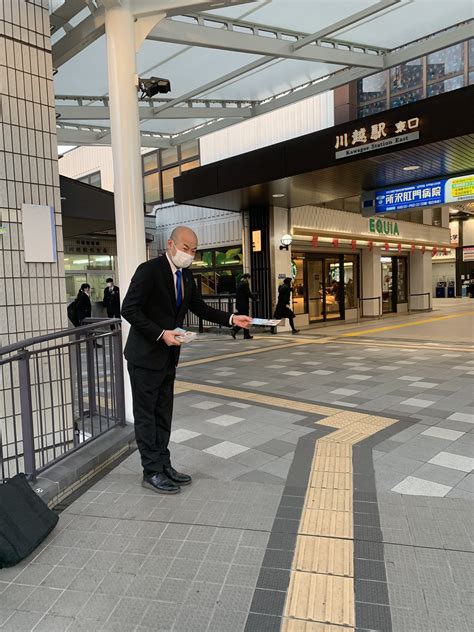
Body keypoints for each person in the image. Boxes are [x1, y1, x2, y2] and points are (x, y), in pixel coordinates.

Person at [121, 226, 252, 495]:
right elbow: (128, 309)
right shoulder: (149, 271)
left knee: (163, 413)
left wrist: (231, 318)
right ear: (170, 244)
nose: (189, 254)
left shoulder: (186, 275)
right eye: (185, 248)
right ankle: (151, 471)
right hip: (145, 357)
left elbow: (199, 308)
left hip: (169, 356)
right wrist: (160, 334)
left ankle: (164, 464)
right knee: (146, 416)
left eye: (193, 251)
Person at [231, 273, 254, 340]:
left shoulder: (239, 284)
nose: (249, 280)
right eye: (249, 278)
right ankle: (234, 330)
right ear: (247, 278)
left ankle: (246, 335)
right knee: (245, 320)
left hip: (239, 305)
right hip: (243, 305)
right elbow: (248, 293)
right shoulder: (245, 284)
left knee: (244, 319)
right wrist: (255, 299)